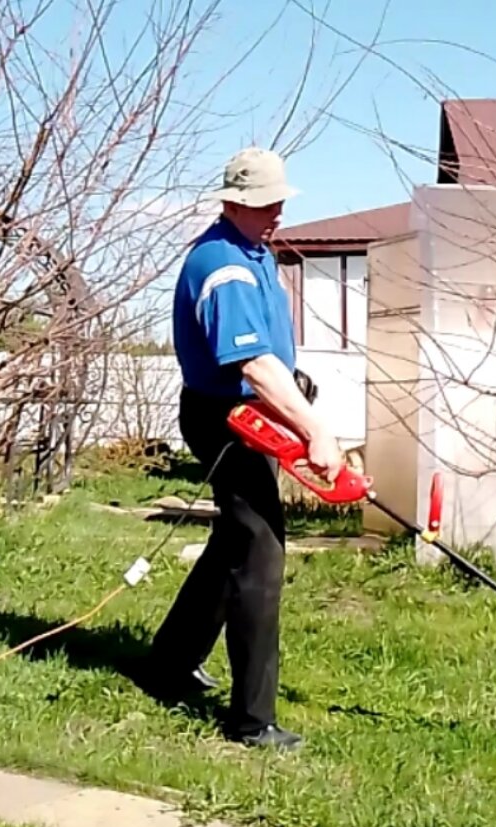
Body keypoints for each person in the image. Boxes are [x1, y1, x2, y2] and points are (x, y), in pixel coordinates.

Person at [144, 146, 344, 750]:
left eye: (280, 199)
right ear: (232, 201)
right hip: (225, 419)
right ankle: (252, 722)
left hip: (247, 411)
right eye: (264, 203)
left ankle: (171, 663)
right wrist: (315, 432)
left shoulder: (252, 250)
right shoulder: (223, 266)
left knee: (235, 538)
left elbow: (271, 362)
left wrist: (297, 397)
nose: (277, 211)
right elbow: (254, 365)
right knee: (260, 553)